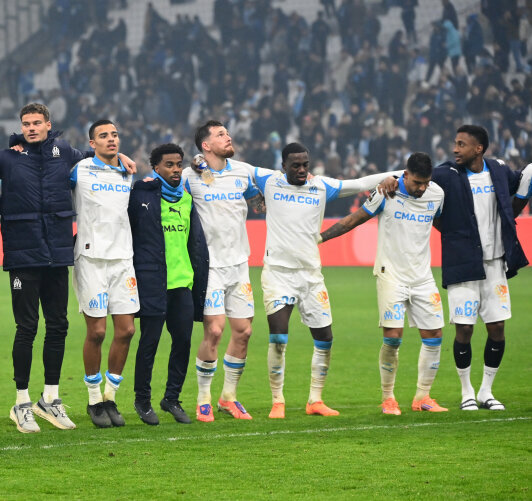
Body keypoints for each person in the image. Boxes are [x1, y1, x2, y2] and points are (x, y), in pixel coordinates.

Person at [0, 103, 135, 433]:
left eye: (37, 122)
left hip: (58, 254)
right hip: (23, 256)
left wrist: (118, 157)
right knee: (27, 328)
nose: (31, 128)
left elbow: (93, 155)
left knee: (58, 325)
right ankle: (21, 402)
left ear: (48, 124)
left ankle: (50, 399)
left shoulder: (64, 152)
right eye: (26, 123)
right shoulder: (6, 158)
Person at [249, 142, 398, 418]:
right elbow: (236, 170)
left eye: (305, 164)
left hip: (311, 275)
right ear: (283, 166)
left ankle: (315, 400)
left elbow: (359, 183)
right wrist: (200, 163)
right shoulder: (268, 180)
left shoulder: (320, 186)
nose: (302, 170)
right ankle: (278, 401)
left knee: (325, 338)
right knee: (279, 337)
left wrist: (397, 175)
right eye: (295, 165)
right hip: (278, 274)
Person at [319, 153, 449, 414]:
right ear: (405, 175)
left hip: (423, 277)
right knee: (393, 338)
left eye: (426, 183)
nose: (422, 188)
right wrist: (319, 239)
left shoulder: (437, 194)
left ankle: (423, 397)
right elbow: (353, 219)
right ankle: (388, 398)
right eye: (417, 183)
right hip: (391, 274)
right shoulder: (386, 192)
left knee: (434, 334)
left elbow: (441, 224)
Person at [432, 125, 528, 411]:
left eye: (461, 144)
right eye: (455, 143)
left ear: (479, 149)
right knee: (464, 329)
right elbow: (417, 177)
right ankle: (467, 392)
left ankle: (486, 391)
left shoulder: (498, 170)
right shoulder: (446, 174)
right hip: (463, 264)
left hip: (495, 263)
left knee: (497, 327)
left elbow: (520, 184)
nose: (455, 149)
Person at [183, 120, 262, 422]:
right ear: (205, 145)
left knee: (243, 332)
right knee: (214, 331)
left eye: (227, 133)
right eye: (220, 135)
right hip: (210, 266)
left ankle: (228, 397)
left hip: (239, 264)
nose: (228, 137)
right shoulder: (190, 176)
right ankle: (203, 398)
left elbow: (259, 201)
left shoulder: (242, 172)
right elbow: (165, 185)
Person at [130, 144, 208, 426]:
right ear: (156, 168)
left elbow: (193, 242)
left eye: (178, 165)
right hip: (153, 281)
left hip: (182, 282)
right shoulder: (142, 195)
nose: (175, 170)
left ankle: (171, 398)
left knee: (183, 342)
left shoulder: (186, 199)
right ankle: (142, 400)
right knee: (149, 342)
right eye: (169, 165)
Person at [71, 119, 138, 428]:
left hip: (123, 259)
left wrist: (121, 160)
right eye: (103, 136)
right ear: (92, 143)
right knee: (97, 332)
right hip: (91, 259)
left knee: (126, 330)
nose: (111, 139)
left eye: (114, 134)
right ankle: (94, 399)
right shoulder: (79, 170)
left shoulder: (127, 172)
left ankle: (110, 397)